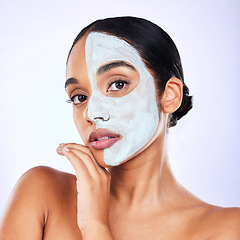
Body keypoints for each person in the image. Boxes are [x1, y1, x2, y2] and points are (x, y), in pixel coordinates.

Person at [0, 16, 239, 240]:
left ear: (169, 95)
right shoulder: (43, 193)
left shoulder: (227, 228)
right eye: (79, 97)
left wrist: (94, 225)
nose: (92, 113)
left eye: (118, 84)